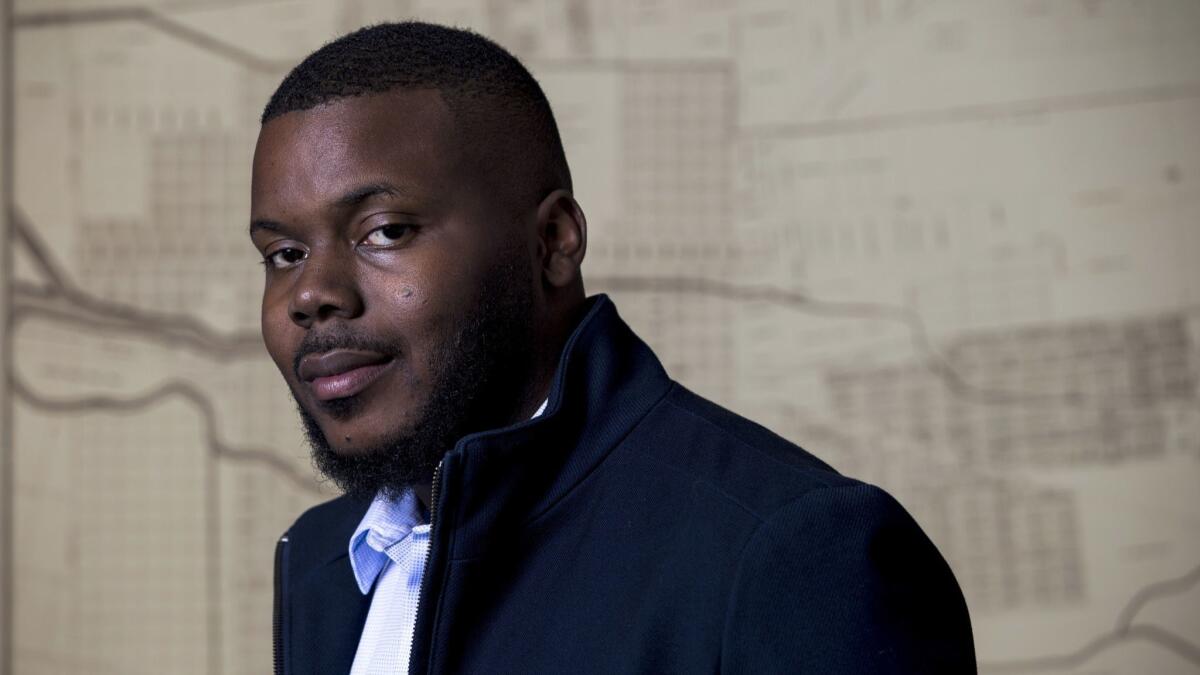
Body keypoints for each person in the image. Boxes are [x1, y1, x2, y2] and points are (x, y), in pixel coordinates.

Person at [252, 21, 975, 675]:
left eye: (386, 231)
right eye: (283, 252)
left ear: (553, 242)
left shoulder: (795, 557)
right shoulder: (323, 563)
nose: (311, 293)